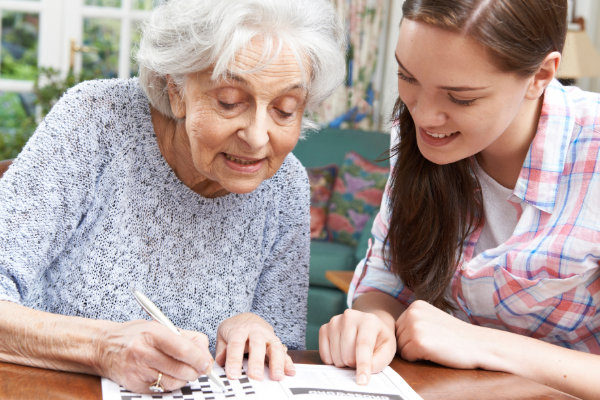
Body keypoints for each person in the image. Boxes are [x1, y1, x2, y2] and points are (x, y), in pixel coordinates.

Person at [0, 0, 345, 394]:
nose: (257, 136)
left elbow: (282, 355)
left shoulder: (286, 186)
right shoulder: (93, 120)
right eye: (230, 101)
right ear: (175, 89)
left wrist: (255, 331)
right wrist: (101, 346)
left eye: (285, 109)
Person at [319, 1, 600, 399]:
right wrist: (374, 323)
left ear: (540, 74)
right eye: (407, 77)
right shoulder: (420, 129)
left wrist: (480, 345)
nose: (425, 116)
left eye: (461, 98)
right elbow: (385, 281)